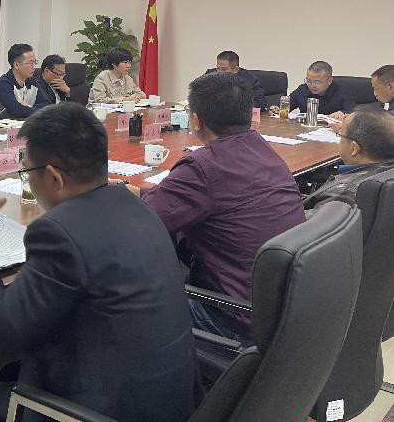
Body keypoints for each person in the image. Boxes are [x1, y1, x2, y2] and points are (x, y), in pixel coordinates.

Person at [0, 103, 199, 422]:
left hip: (103, 410)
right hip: (172, 398)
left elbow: (5, 335)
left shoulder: (59, 233)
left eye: (27, 173)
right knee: (11, 372)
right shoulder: (139, 206)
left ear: (54, 177)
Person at [135, 72, 304, 343]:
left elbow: (143, 221)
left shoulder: (203, 166)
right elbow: (186, 199)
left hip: (233, 317)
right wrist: (134, 190)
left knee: (119, 303)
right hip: (283, 307)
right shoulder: (262, 148)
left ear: (196, 120)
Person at [303, 109, 394, 210]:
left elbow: (302, 219)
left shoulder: (341, 193)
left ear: (354, 148)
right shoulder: (387, 172)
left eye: (340, 134)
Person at [272, 60, 355, 120]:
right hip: (304, 130)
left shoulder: (342, 92)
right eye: (308, 81)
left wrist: (342, 113)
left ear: (329, 81)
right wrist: (277, 109)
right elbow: (287, 105)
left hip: (331, 132)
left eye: (317, 82)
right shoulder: (302, 89)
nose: (312, 85)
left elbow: (353, 112)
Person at [0, 44, 51, 117]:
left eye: (35, 62)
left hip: (28, 122)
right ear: (16, 65)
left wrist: (28, 107)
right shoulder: (3, 83)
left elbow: (47, 105)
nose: (34, 67)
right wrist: (34, 109)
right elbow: (16, 111)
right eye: (31, 63)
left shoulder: (32, 81)